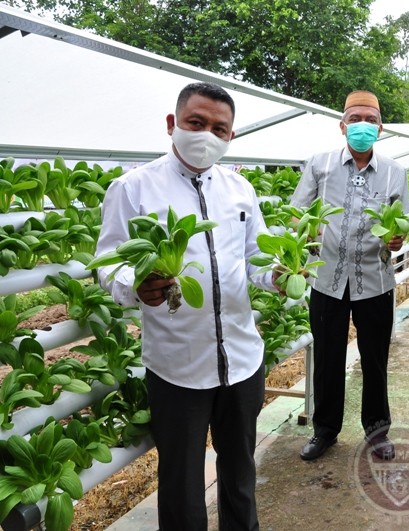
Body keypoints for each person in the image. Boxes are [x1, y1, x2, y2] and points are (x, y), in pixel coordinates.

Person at [95, 82, 273, 531]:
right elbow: (107, 264)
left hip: (242, 360)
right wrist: (135, 286)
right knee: (181, 485)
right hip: (177, 367)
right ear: (173, 124)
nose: (207, 134)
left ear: (230, 136)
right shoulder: (133, 188)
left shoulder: (239, 189)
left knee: (240, 473)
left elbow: (256, 259)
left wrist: (280, 273)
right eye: (197, 123)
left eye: (220, 128)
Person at [291, 90, 409, 461]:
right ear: (342, 126)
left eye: (370, 120)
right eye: (355, 119)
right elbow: (297, 212)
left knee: (375, 359)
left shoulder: (395, 172)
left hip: (374, 281)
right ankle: (325, 430)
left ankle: (377, 431)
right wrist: (304, 235)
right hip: (327, 280)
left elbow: (401, 224)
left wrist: (397, 238)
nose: (363, 126)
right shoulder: (319, 164)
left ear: (380, 128)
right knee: (326, 357)